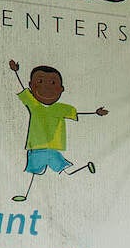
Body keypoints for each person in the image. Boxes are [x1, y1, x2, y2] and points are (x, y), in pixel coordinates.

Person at [7, 60, 108, 202]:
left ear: (61, 89)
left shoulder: (62, 108)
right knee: (35, 172)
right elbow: (23, 90)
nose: (46, 88)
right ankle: (25, 195)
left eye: (53, 83)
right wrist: (16, 72)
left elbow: (79, 114)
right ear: (32, 86)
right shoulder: (35, 105)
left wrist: (96, 113)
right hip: (37, 148)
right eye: (40, 81)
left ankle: (84, 169)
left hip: (52, 149)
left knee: (61, 170)